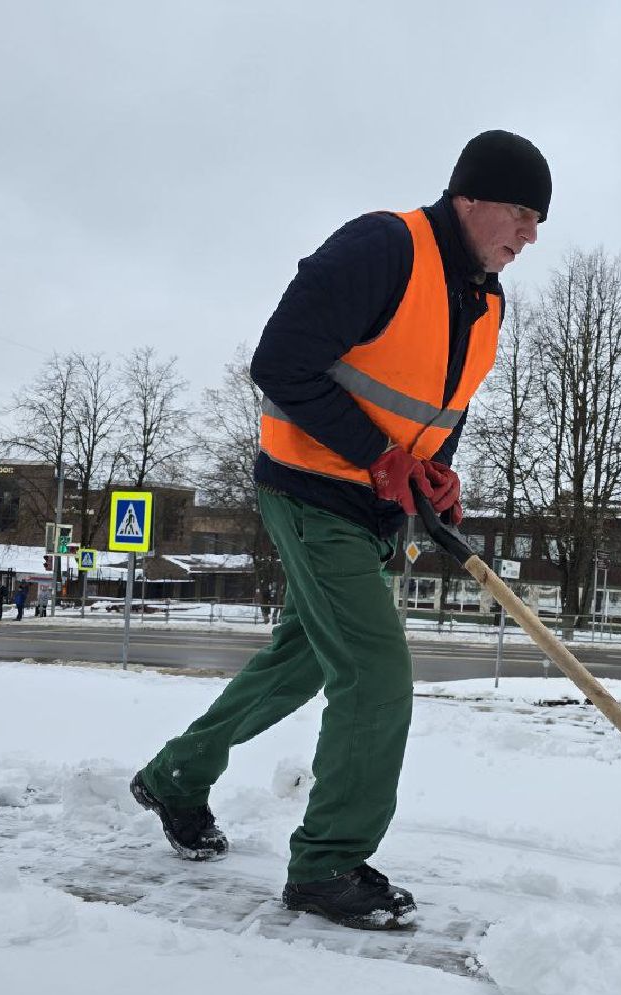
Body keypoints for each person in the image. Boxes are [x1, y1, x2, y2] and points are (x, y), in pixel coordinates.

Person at [130, 130, 550, 931]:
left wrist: (432, 475)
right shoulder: (383, 246)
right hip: (310, 488)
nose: (529, 235)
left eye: (538, 223)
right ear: (470, 197)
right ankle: (327, 865)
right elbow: (280, 361)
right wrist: (378, 456)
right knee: (373, 669)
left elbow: (439, 409)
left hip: (376, 506)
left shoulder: (486, 300)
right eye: (521, 213)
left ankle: (175, 777)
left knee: (300, 663)